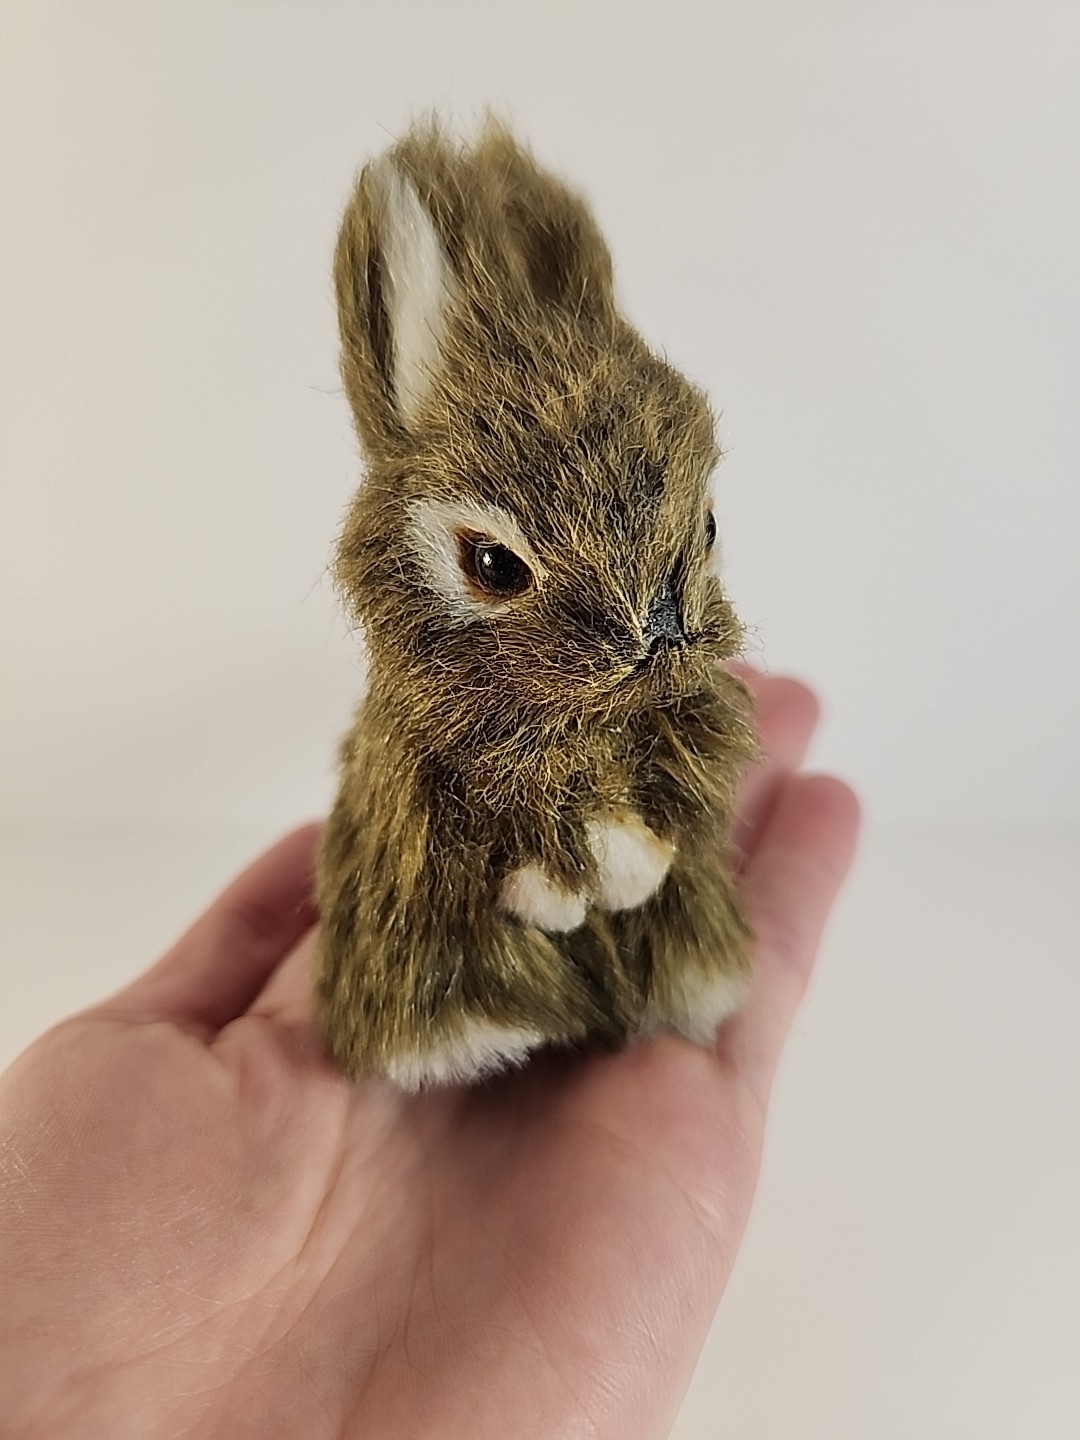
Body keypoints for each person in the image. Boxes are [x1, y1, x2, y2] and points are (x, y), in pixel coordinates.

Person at [0, 670, 858, 1439]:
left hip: (626, 930)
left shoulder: (676, 683)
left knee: (682, 926)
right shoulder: (432, 725)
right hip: (455, 955)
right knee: (434, 936)